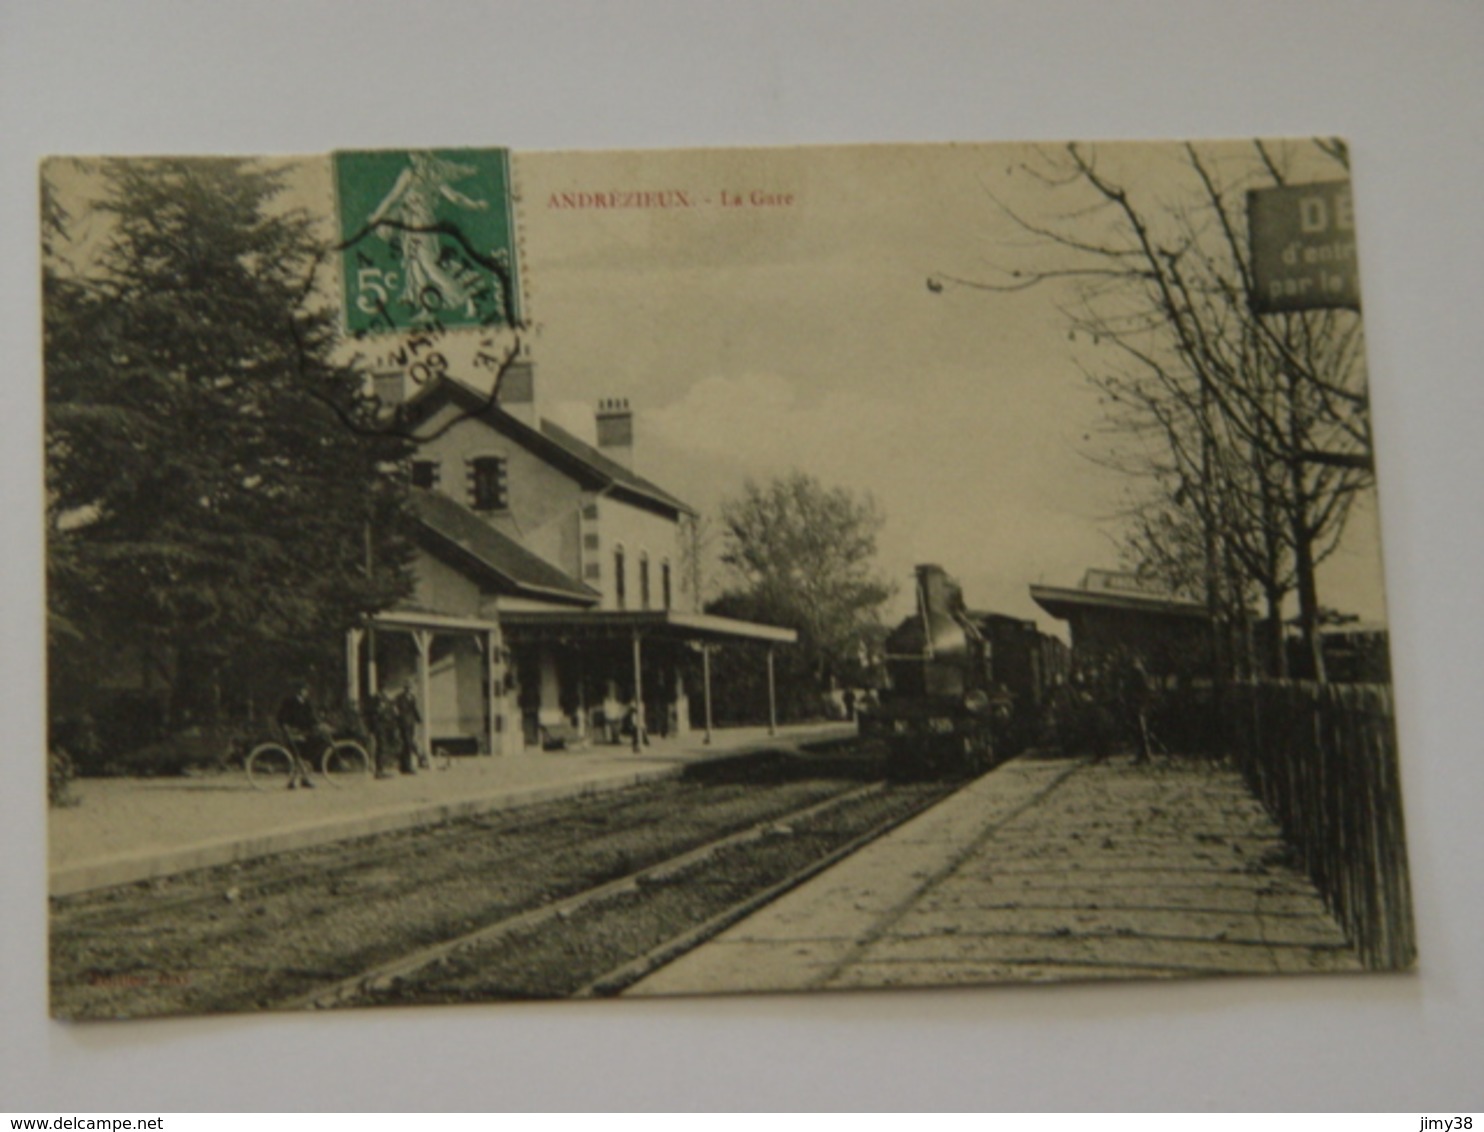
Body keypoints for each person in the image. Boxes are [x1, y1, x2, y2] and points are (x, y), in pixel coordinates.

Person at [276, 683, 323, 789]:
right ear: (300, 691)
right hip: (293, 732)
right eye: (304, 690)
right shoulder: (290, 702)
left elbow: (311, 718)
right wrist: (285, 727)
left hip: (304, 732)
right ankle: (293, 781)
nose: (306, 692)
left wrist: (318, 724)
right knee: (297, 756)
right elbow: (281, 716)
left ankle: (304, 779)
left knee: (306, 755)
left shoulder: (306, 703)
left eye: (307, 690)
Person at [365, 688, 401, 779]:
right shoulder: (377, 705)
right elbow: (376, 717)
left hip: (385, 728)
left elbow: (392, 716)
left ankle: (382, 769)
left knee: (383, 748)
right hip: (380, 728)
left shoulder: (388, 704)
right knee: (381, 748)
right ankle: (379, 770)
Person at [394, 681, 422, 774]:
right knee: (407, 743)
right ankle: (406, 766)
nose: (409, 690)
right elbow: (396, 710)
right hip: (403, 723)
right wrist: (398, 720)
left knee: (408, 744)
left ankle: (405, 766)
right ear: (405, 689)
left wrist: (419, 719)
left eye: (410, 688)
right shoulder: (399, 698)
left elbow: (414, 709)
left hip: (411, 723)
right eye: (408, 688)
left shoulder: (412, 698)